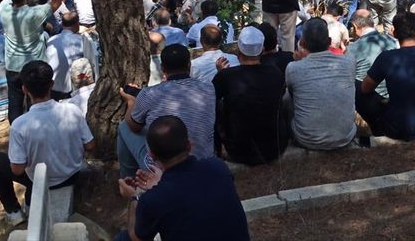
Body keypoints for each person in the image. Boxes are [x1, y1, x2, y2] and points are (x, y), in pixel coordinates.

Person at [0, 60, 94, 225]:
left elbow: (17, 169)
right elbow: (90, 145)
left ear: (24, 89)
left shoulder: (20, 125)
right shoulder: (72, 110)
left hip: (41, 180)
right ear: (51, 84)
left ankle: (14, 212)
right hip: (72, 175)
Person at [115, 116, 250, 241]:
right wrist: (162, 184)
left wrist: (134, 197)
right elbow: (190, 192)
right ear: (189, 145)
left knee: (123, 238)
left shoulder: (152, 201)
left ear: (152, 156)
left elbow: (137, 238)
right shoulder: (218, 167)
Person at [117, 44, 216, 179]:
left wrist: (131, 103)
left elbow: (134, 126)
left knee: (124, 126)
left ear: (162, 68)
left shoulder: (149, 94)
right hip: (203, 160)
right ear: (189, 65)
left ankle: (128, 180)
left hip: (163, 168)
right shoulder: (208, 88)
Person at [357, 12, 415, 140]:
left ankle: (377, 129)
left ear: (394, 33)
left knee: (357, 86)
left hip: (398, 129)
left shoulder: (387, 58)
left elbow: (365, 88)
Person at [212, 26, 289, 165]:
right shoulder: (275, 73)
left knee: (216, 104)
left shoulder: (226, 76)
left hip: (238, 151)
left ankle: (218, 149)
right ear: (262, 49)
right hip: (276, 147)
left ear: (239, 49)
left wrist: (222, 74)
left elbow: (212, 101)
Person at [0, 0, 62, 124]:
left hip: (13, 67)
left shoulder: (3, 9)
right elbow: (56, 1)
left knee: (15, 104)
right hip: (34, 67)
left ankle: (16, 130)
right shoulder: (35, 13)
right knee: (40, 101)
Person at [285, 18, 356, 150]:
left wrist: (300, 62)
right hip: (345, 136)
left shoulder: (293, 68)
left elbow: (292, 92)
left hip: (306, 139)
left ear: (302, 42)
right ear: (329, 42)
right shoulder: (349, 61)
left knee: (287, 96)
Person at [347, 9, 397, 100]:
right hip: (392, 96)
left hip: (366, 99)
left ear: (354, 26)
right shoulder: (393, 41)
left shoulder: (352, 49)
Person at [45, 11, 86, 100]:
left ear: (62, 24)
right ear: (77, 24)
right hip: (71, 88)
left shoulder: (51, 40)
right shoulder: (80, 40)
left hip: (52, 85)